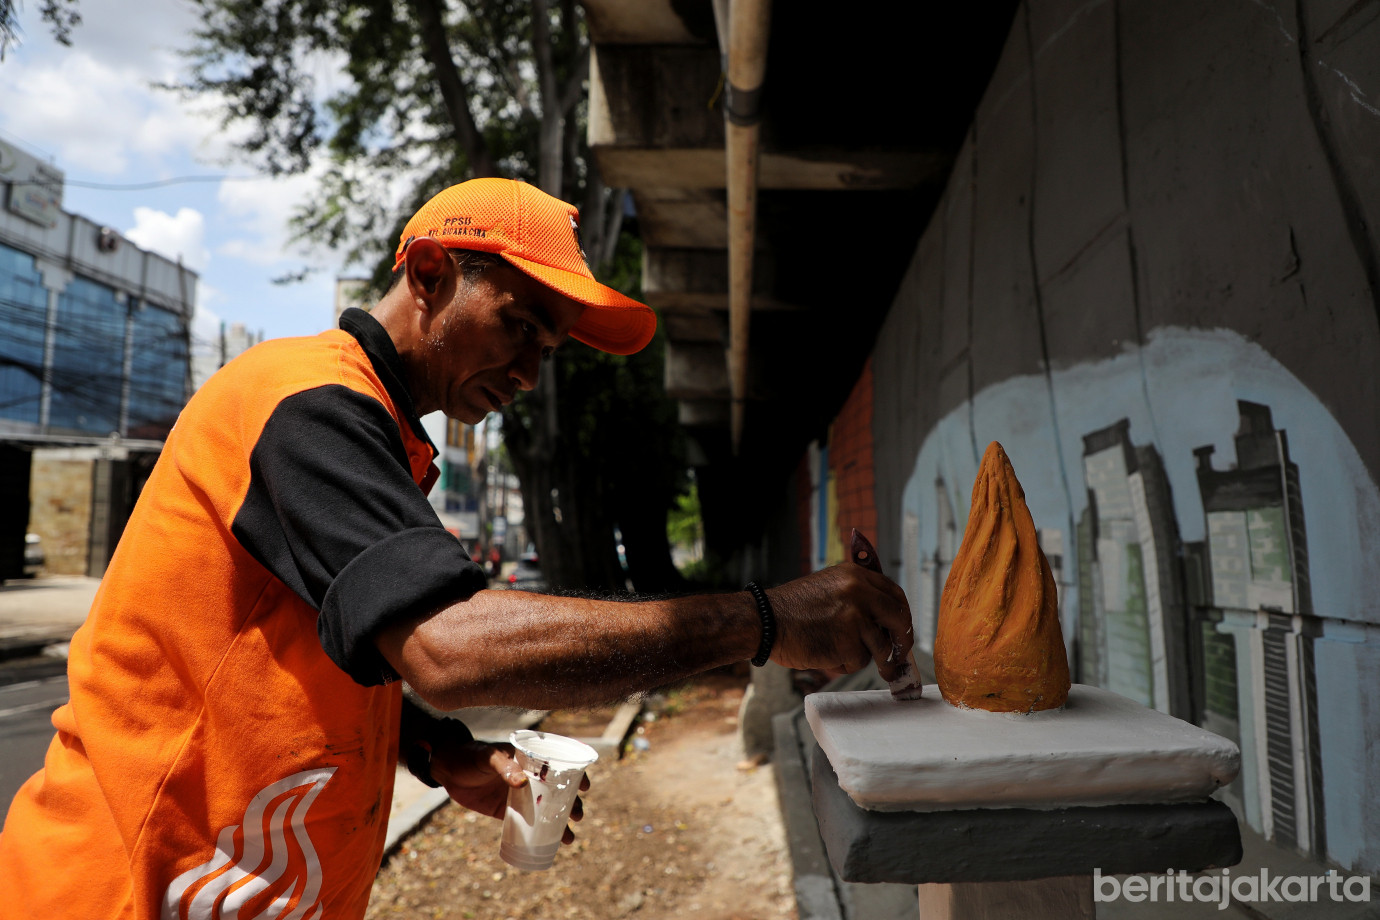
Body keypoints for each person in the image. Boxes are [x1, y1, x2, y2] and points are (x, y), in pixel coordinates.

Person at [0, 178, 912, 919]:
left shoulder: (383, 439)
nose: (526, 372)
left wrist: (442, 757)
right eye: (519, 325)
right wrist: (761, 621)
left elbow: (324, 656)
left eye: (547, 351)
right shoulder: (305, 403)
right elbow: (446, 647)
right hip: (122, 887)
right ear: (430, 271)